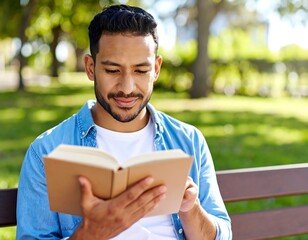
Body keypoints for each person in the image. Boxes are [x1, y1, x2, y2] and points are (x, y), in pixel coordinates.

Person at [16, 4, 231, 240]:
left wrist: (191, 210)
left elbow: (222, 235)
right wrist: (91, 233)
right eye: (112, 70)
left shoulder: (189, 140)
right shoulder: (46, 152)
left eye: (140, 71)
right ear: (90, 68)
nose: (127, 88)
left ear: (156, 69)